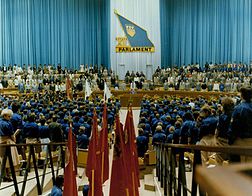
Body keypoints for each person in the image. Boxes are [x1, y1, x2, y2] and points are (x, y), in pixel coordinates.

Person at [230, 87, 252, 162]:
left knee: (240, 168)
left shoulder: (239, 108)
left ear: (242, 95)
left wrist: (230, 140)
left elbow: (234, 126)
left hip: (241, 141)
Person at [0, 109, 20, 181]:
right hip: (8, 141)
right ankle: (8, 175)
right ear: (4, 115)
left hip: (0, 141)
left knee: (2, 159)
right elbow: (12, 135)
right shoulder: (8, 123)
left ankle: (4, 175)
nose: (10, 118)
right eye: (9, 116)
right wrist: (14, 140)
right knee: (9, 160)